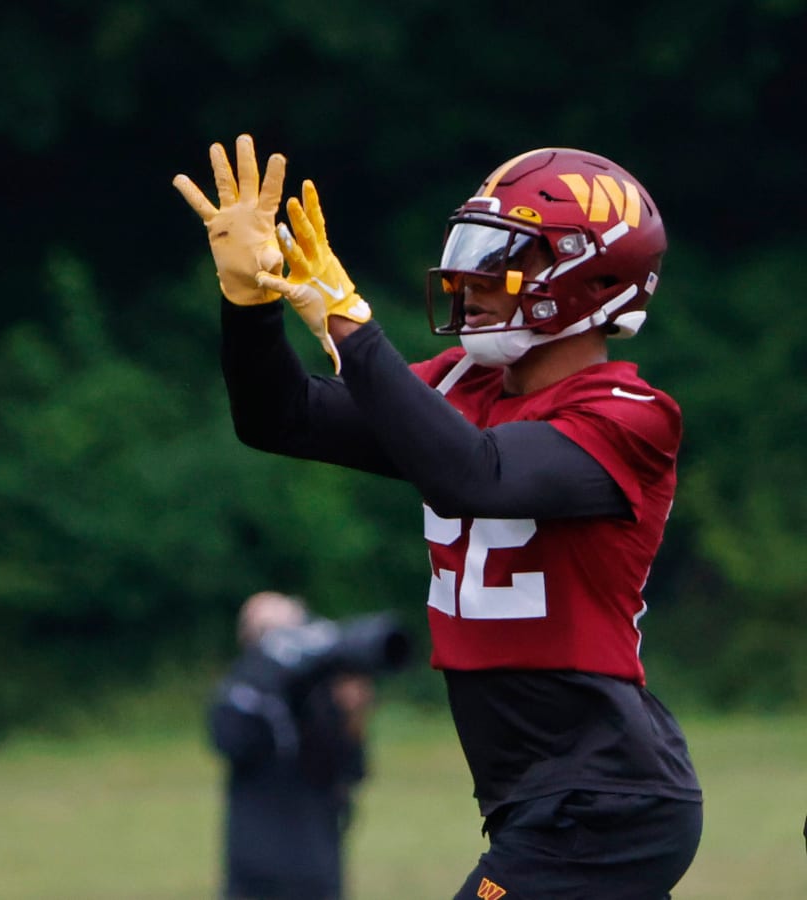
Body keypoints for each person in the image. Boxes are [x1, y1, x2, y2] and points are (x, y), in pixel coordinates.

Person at [176, 136, 703, 898]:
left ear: (587, 281)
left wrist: (353, 327)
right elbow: (279, 418)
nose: (472, 278)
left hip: (606, 801)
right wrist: (249, 306)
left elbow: (473, 475)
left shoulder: (632, 414)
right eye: (475, 250)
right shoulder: (464, 381)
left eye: (504, 258)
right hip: (542, 798)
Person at [208, 591, 373, 900]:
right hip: (255, 862)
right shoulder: (239, 694)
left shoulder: (322, 698)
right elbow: (231, 743)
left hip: (315, 858)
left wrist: (352, 714)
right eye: (270, 634)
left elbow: (353, 770)